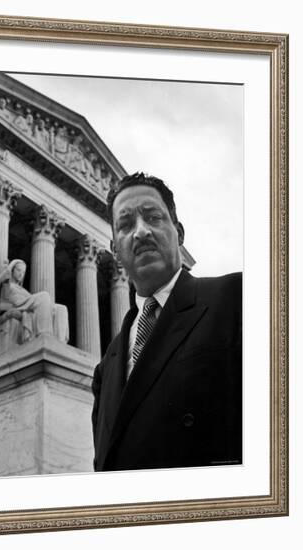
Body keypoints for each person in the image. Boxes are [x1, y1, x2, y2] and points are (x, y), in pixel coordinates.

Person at [92, 172, 242, 471]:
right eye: (125, 225)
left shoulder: (237, 298)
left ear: (179, 233)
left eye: (153, 217)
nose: (140, 232)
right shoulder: (107, 365)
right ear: (115, 252)